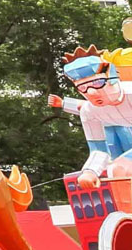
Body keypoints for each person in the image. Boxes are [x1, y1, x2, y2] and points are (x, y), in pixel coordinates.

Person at [50, 49, 132, 187]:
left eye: (98, 83)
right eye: (83, 87)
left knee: (122, 168)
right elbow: (99, 150)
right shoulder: (90, 111)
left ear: (112, 77)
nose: (92, 92)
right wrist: (90, 172)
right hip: (118, 134)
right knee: (117, 170)